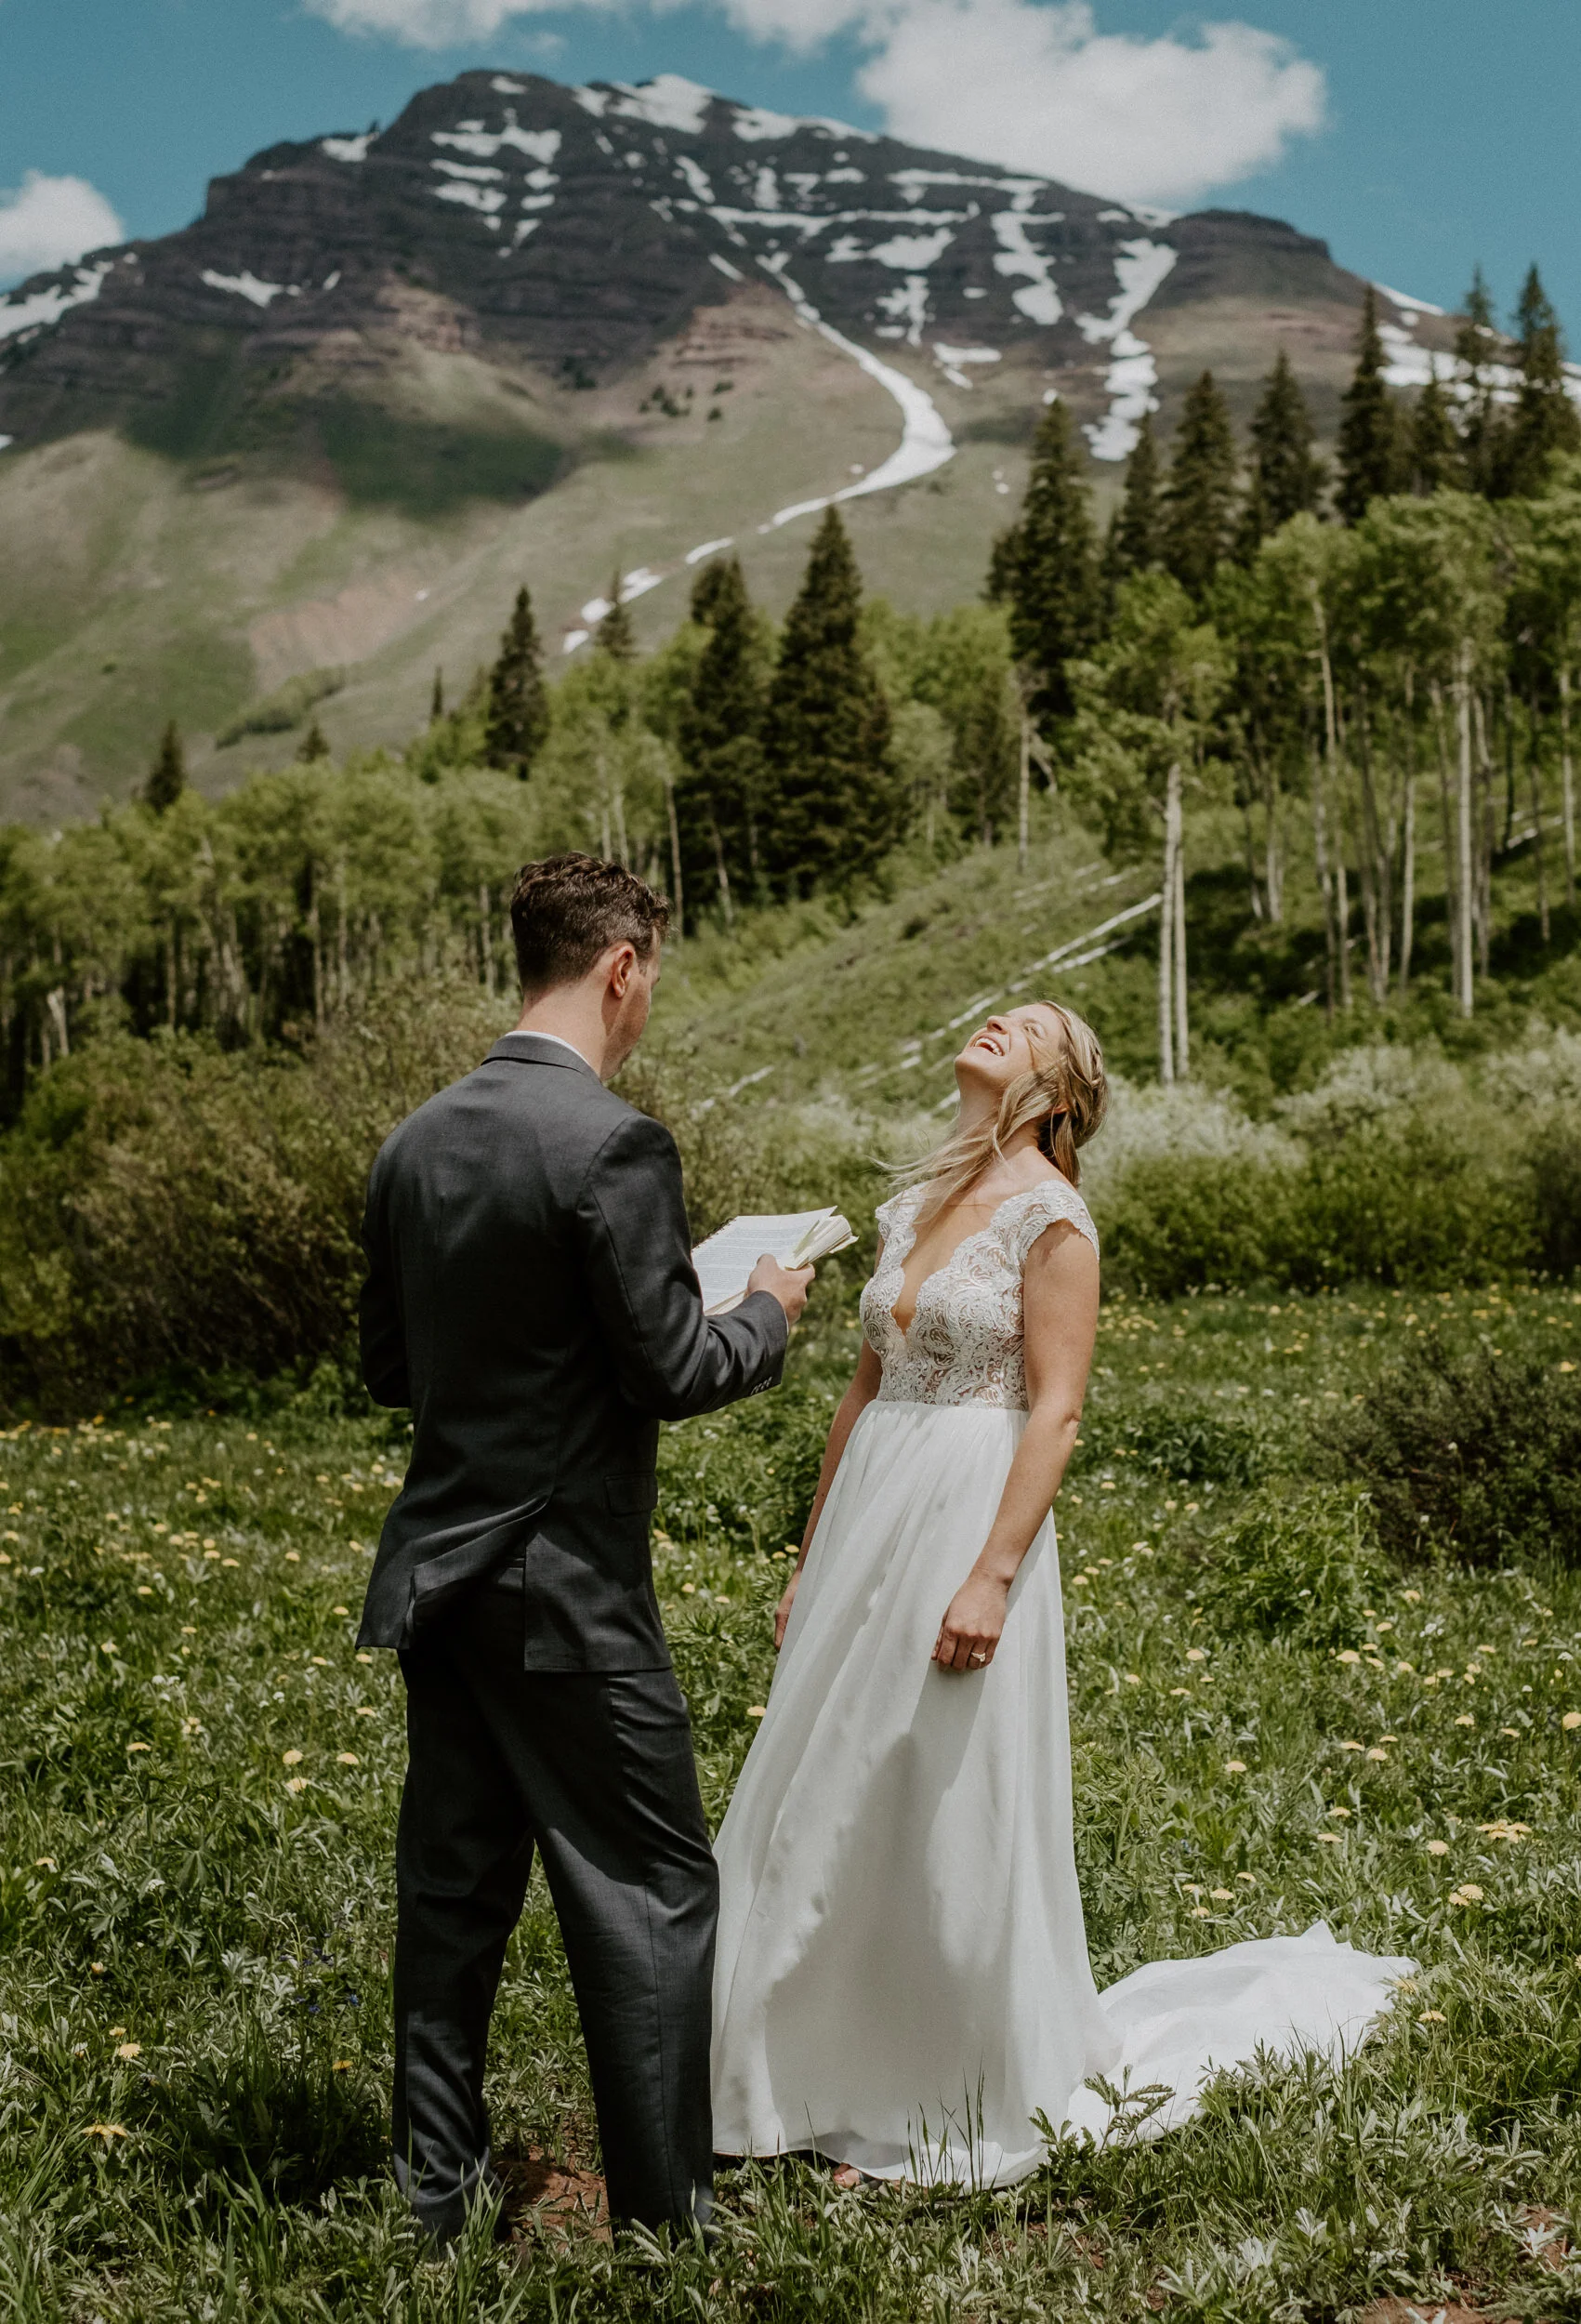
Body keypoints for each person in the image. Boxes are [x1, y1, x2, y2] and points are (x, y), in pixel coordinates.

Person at [711, 999, 1412, 2185]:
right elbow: (861, 1392)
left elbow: (1058, 1406)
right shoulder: (907, 1205)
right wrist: (807, 1552)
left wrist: (992, 1572)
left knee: (932, 1783)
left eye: (1027, 1024)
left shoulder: (1054, 1215)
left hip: (969, 1510)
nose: (992, 1020)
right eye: (994, 1011)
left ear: (1061, 1088)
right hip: (873, 1508)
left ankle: (934, 2086)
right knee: (823, 1778)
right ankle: (791, 2066)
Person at [357, 852, 812, 2245]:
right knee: (656, 1894)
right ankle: (667, 2226)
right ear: (622, 965)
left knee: (453, 1900)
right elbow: (675, 1367)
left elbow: (389, 1368)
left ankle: (434, 2205)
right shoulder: (613, 1143)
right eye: (654, 974)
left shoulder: (415, 1140)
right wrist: (770, 1309)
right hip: (566, 1589)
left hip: (442, 1576)